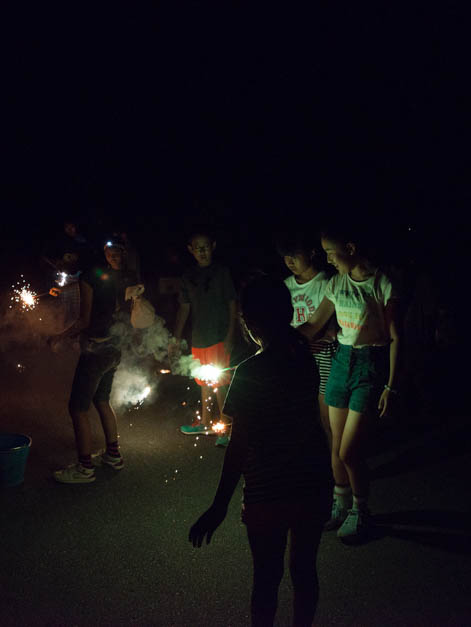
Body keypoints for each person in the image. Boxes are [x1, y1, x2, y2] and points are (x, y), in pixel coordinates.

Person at [189, 274, 332, 627]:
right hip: (313, 482)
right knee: (304, 570)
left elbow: (239, 447)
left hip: (268, 491)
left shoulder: (251, 371)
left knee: (266, 580)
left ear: (248, 323)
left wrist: (219, 505)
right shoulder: (304, 357)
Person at [297, 223, 403, 542]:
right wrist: (276, 339)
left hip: (369, 365)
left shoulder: (381, 283)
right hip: (341, 362)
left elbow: (397, 337)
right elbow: (314, 324)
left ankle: (361, 510)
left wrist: (391, 386)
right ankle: (340, 503)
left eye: (331, 251)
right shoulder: (337, 283)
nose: (328, 259)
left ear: (351, 248)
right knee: (335, 444)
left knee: (349, 451)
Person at [53, 240, 143, 484]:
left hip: (97, 349)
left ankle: (85, 469)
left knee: (77, 408)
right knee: (101, 399)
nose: (63, 263)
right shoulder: (114, 275)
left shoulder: (90, 277)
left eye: (68, 258)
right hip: (115, 347)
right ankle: (113, 456)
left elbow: (84, 321)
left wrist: (58, 338)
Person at [171, 230, 238, 446]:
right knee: (203, 381)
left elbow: (232, 304)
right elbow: (184, 307)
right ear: (190, 250)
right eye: (197, 247)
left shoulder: (222, 272)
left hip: (219, 335)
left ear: (213, 246)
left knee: (220, 380)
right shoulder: (187, 276)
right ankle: (207, 423)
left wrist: (230, 335)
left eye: (205, 246)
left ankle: (225, 428)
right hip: (199, 337)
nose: (202, 250)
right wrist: (176, 337)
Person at [276, 231, 338, 447]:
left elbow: (331, 324)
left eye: (295, 255)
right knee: (297, 412)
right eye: (285, 256)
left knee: (326, 415)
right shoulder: (284, 286)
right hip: (295, 355)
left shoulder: (326, 283)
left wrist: (331, 335)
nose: (289, 261)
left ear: (311, 253)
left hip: (322, 354)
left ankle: (335, 463)